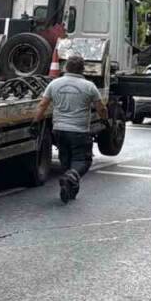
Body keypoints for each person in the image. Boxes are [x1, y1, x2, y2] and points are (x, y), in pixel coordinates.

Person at [37, 54, 107, 204]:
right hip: (79, 130)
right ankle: (70, 179)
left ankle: (70, 190)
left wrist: (35, 121)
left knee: (66, 160)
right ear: (83, 69)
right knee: (83, 160)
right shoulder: (89, 86)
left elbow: (43, 104)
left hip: (59, 130)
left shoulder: (54, 84)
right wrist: (105, 120)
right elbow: (101, 108)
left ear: (65, 67)